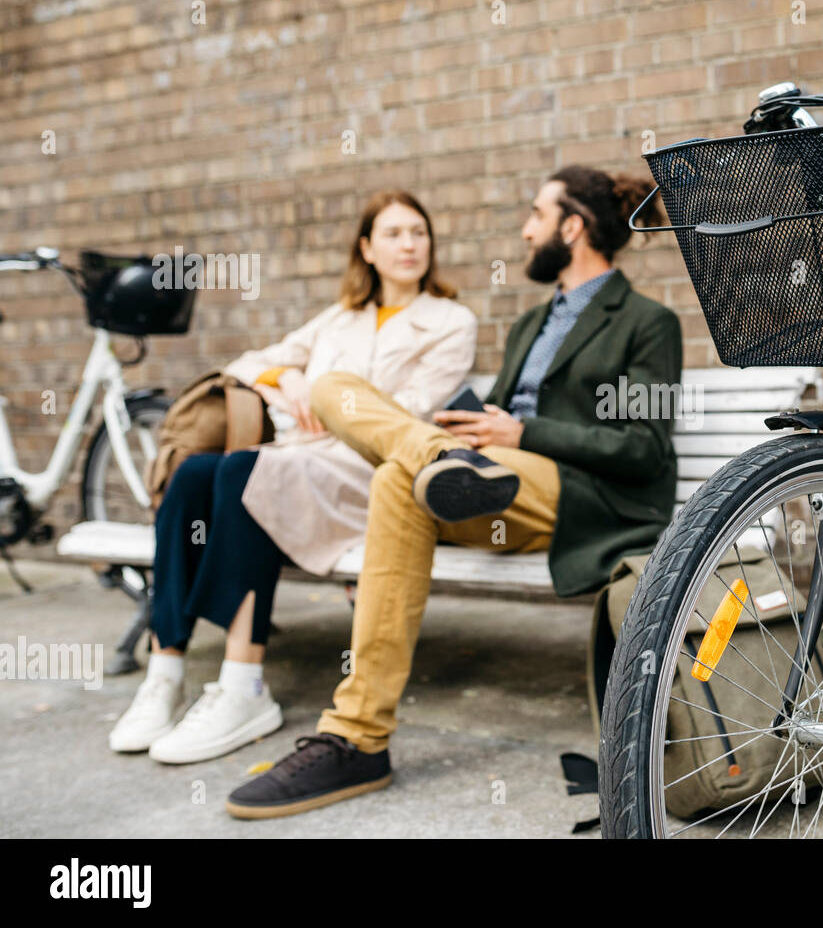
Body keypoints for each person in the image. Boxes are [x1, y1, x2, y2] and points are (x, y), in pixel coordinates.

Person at [225, 165, 682, 818]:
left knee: (399, 472)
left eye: (535, 214)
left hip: (585, 495)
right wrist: (463, 430)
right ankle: (358, 739)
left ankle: (357, 730)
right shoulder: (530, 323)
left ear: (572, 227)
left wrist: (523, 432)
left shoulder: (646, 321)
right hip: (490, 481)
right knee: (338, 396)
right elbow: (488, 414)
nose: (526, 231)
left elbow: (645, 451)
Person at [108, 191, 478, 765]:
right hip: (303, 463)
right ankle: (165, 669)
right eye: (394, 234)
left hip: (369, 474)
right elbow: (245, 364)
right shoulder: (341, 318)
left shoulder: (450, 321)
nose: (410, 245)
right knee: (191, 477)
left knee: (245, 472)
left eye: (419, 233)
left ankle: (243, 684)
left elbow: (411, 413)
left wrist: (324, 403)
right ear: (367, 249)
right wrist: (289, 378)